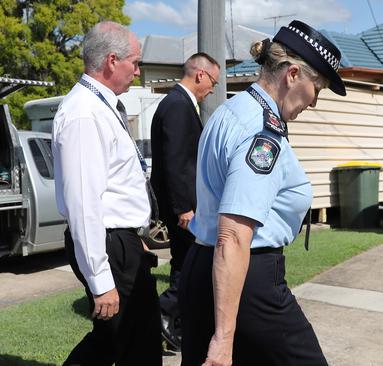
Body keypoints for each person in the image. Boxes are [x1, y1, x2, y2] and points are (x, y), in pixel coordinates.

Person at [179, 20, 346, 366]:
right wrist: (224, 339)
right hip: (247, 278)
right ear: (293, 74)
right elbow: (234, 235)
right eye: (318, 88)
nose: (314, 103)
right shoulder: (262, 133)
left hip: (202, 268)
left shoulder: (229, 111)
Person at [52, 21, 162, 365]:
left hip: (120, 243)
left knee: (127, 340)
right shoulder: (84, 113)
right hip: (108, 245)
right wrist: (101, 281)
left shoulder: (100, 106)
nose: (138, 71)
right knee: (125, 342)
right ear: (112, 61)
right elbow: (84, 204)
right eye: (135, 62)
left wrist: (134, 237)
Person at [150, 52, 221, 351]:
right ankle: (163, 312)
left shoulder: (176, 103)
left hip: (182, 206)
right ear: (200, 74)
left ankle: (174, 326)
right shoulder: (178, 106)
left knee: (183, 265)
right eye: (214, 82)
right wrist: (184, 209)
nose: (213, 89)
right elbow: (177, 162)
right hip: (184, 209)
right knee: (193, 268)